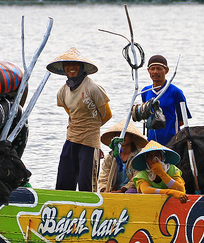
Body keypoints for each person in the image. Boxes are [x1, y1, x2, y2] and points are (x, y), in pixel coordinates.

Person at [48, 47, 112, 192]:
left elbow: (107, 114)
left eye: (75, 64)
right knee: (64, 182)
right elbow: (71, 112)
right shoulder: (62, 91)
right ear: (63, 68)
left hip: (89, 143)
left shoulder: (93, 88)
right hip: (71, 140)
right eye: (68, 65)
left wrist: (91, 127)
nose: (71, 68)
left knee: (86, 184)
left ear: (82, 67)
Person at [141, 54, 192, 145]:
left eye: (159, 69)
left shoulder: (175, 92)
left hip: (172, 142)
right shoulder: (145, 91)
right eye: (152, 69)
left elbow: (183, 120)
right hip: (151, 142)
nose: (155, 72)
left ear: (166, 70)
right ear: (148, 71)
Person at [98, 119, 149, 193]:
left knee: (130, 192)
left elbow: (137, 178)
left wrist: (121, 191)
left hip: (131, 191)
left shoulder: (138, 157)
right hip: (113, 190)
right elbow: (103, 177)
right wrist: (105, 189)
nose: (121, 137)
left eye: (125, 134)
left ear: (132, 137)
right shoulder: (110, 157)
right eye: (118, 134)